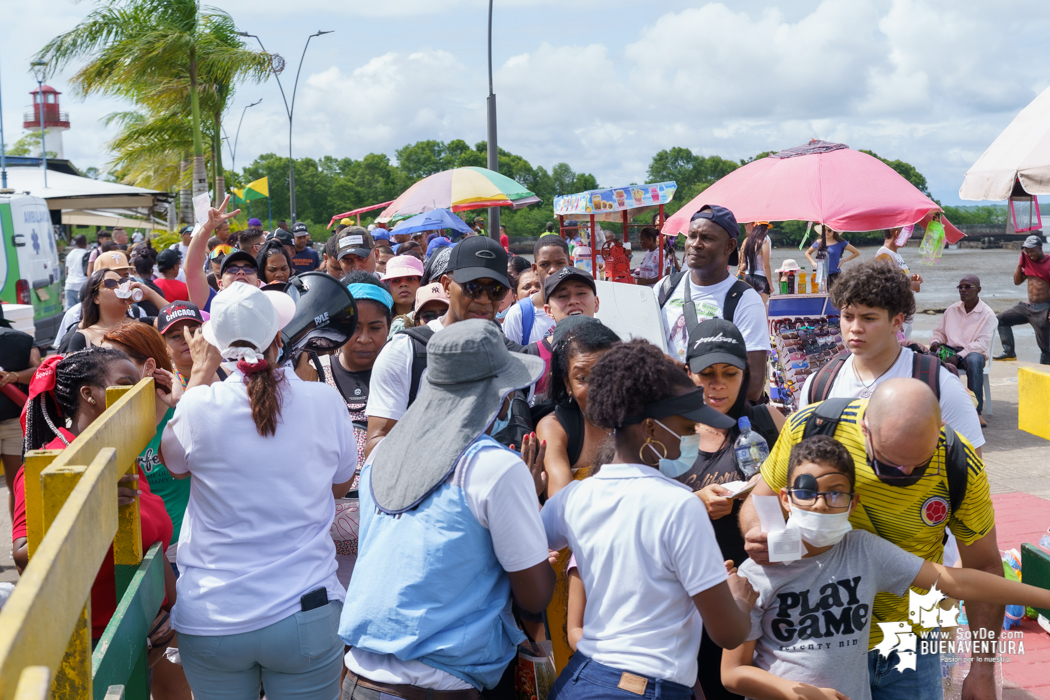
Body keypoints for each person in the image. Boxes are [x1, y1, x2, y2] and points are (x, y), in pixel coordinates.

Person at [724, 433, 1050, 700]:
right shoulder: (758, 571)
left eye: (835, 494)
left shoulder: (864, 551)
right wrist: (799, 694)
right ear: (785, 497)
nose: (821, 504)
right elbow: (732, 672)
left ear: (853, 503)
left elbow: (959, 582)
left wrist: (1044, 597)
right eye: (807, 491)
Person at [739, 379, 1003, 700]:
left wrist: (983, 668)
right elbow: (762, 499)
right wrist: (762, 534)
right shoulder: (813, 428)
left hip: (911, 641)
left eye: (919, 463)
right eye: (890, 463)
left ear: (940, 429)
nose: (905, 474)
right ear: (865, 430)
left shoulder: (958, 462)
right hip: (818, 639)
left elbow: (985, 567)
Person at [339, 319, 554, 699]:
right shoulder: (496, 468)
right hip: (440, 686)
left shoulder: (381, 455)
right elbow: (535, 596)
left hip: (360, 680)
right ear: (499, 395)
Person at [161, 282, 356, 699]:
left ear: (213, 345)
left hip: (214, 617)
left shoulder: (198, 406)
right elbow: (341, 483)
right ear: (279, 338)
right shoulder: (323, 401)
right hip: (306, 612)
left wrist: (197, 375)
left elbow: (175, 466)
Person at [542, 339, 756, 700]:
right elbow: (729, 634)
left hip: (580, 681)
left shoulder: (573, 498)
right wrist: (741, 599)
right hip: (644, 689)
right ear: (652, 430)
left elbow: (525, 550)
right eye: (688, 429)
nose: (693, 439)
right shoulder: (680, 506)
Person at [12, 349, 176, 644]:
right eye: (127, 386)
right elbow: (23, 555)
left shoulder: (123, 454)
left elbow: (151, 541)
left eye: (140, 387)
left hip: (144, 638)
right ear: (88, 394)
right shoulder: (50, 464)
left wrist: (171, 613)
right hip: (90, 652)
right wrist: (89, 508)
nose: (137, 396)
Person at [678, 318, 785, 700]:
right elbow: (641, 507)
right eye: (705, 374)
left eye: (729, 373)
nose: (717, 384)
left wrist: (758, 495)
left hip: (763, 591)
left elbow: (804, 489)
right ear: (686, 371)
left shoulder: (767, 422)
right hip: (693, 598)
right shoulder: (672, 431)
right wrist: (693, 504)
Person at [800, 259, 985, 452]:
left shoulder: (938, 384)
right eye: (848, 317)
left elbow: (970, 470)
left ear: (897, 322)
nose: (855, 328)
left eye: (868, 318)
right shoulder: (819, 384)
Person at [365, 236, 513, 455]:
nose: (484, 299)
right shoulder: (405, 351)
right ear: (446, 285)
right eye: (472, 287)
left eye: (495, 290)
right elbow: (376, 445)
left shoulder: (503, 355)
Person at [658, 205, 770, 401]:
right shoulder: (665, 287)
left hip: (712, 416)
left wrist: (678, 372)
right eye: (692, 236)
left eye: (707, 238)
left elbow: (753, 386)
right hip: (664, 411)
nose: (695, 244)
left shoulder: (745, 300)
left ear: (729, 246)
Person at [930, 274, 996, 425]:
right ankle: (934, 408)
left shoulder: (987, 314)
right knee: (926, 357)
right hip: (949, 350)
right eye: (960, 287)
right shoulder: (952, 310)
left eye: (968, 287)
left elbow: (981, 343)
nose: (963, 290)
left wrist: (959, 356)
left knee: (974, 360)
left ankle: (975, 413)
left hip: (971, 354)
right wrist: (935, 343)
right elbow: (939, 333)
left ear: (978, 289)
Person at [0, 306, 41, 516]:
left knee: (17, 485)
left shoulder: (21, 340)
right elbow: (38, 370)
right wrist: (15, 376)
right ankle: (19, 540)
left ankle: (18, 542)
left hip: (16, 424)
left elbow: (39, 370)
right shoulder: (22, 340)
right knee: (17, 486)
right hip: (16, 420)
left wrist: (13, 376)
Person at [502, 235, 572, 345]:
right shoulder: (518, 314)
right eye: (544, 264)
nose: (552, 270)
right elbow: (512, 357)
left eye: (560, 263)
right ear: (535, 269)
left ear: (570, 265)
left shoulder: (580, 306)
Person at [994, 234, 1050, 364]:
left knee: (1046, 348)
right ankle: (1009, 352)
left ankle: (1045, 372)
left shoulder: (1048, 263)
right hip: (1028, 307)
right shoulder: (1029, 263)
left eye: (1032, 251)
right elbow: (1017, 282)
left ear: (1040, 248)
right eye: (1027, 252)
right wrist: (1021, 265)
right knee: (1001, 319)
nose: (1029, 254)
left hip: (1044, 309)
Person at [876, 228, 922, 339]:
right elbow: (883, 284)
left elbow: (897, 278)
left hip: (904, 309)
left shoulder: (895, 254)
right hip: (895, 310)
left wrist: (912, 280)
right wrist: (910, 285)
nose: (908, 238)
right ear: (897, 234)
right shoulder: (884, 254)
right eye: (907, 234)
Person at [805, 224, 860, 288]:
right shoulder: (819, 242)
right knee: (821, 295)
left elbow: (856, 252)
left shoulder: (841, 243)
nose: (826, 232)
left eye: (829, 230)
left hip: (835, 275)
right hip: (821, 275)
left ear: (834, 231)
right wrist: (814, 264)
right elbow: (807, 253)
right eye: (824, 230)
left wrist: (843, 261)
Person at [381, 254, 424, 322]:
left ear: (422, 283)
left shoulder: (434, 319)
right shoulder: (381, 320)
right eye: (396, 280)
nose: (403, 284)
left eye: (411, 279)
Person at [737, 222, 773, 302]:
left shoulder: (747, 241)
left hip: (747, 278)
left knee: (750, 308)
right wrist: (770, 285)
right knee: (762, 309)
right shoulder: (764, 242)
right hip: (761, 279)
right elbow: (766, 265)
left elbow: (744, 262)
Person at [65, 234, 90, 309]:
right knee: (84, 313)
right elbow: (89, 271)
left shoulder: (70, 254)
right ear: (85, 243)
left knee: (70, 313)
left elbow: (67, 271)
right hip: (82, 286)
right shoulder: (87, 254)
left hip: (69, 286)